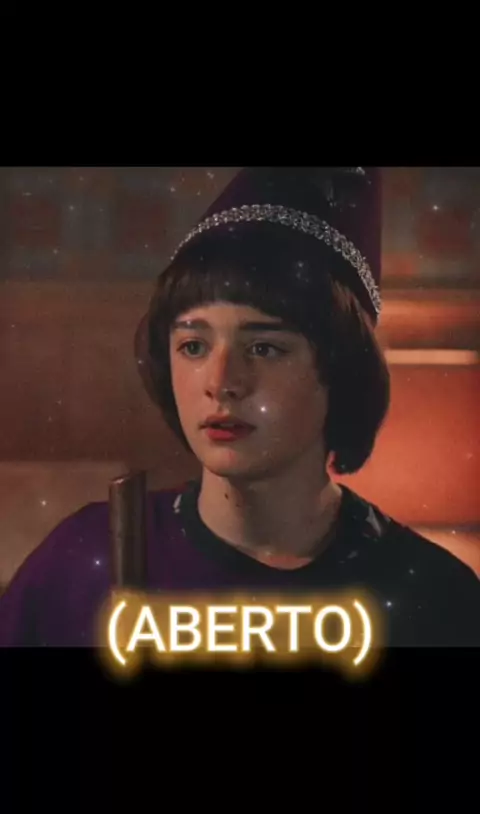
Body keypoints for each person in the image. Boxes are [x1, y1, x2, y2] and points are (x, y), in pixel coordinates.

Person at [0, 166, 479, 650]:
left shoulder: (434, 599)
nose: (221, 383)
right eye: (193, 346)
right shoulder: (81, 564)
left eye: (264, 348)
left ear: (340, 370)